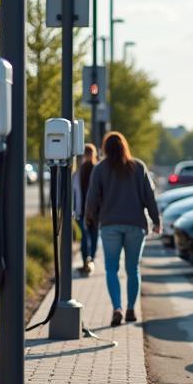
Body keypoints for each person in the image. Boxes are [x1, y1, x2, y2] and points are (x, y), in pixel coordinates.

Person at [84, 131, 161, 326]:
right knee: (133, 268)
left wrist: (88, 217)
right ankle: (130, 309)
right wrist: (156, 220)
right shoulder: (138, 167)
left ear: (105, 149)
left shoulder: (100, 169)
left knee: (111, 268)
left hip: (110, 224)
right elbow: (149, 197)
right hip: (136, 225)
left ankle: (117, 307)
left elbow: (92, 197)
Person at [73, 143, 99, 276]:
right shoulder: (79, 170)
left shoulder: (97, 169)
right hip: (82, 211)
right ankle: (86, 261)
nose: (87, 156)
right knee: (85, 237)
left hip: (94, 211)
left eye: (89, 153)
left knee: (92, 237)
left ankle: (90, 260)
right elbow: (74, 190)